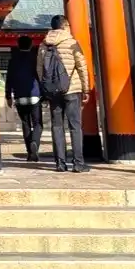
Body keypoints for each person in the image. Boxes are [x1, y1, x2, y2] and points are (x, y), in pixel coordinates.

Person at [43, 15, 90, 173]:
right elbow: (82, 67)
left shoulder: (44, 45)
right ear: (65, 26)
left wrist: (47, 88)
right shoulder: (72, 43)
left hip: (53, 91)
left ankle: (60, 164)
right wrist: (86, 88)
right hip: (72, 89)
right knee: (75, 126)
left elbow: (39, 69)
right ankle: (78, 163)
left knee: (57, 127)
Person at [5, 36, 44, 162]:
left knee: (25, 123)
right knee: (37, 123)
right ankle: (35, 143)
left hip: (19, 95)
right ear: (31, 45)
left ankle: (29, 151)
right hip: (34, 95)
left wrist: (8, 95)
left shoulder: (13, 60)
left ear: (18, 45)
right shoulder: (35, 59)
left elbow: (9, 79)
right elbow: (40, 76)